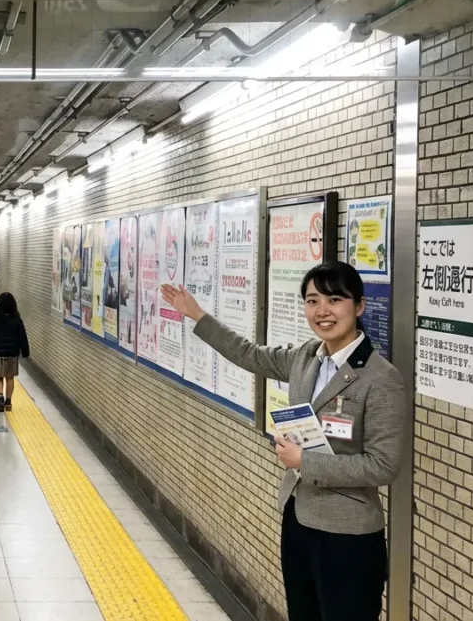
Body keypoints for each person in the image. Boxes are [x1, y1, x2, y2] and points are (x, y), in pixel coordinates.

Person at [161, 262, 406, 621]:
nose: (322, 311)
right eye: (312, 300)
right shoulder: (306, 357)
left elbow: (383, 465)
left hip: (348, 535)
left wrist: (303, 461)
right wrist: (197, 315)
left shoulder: (381, 378)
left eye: (335, 299)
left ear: (359, 306)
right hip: (299, 520)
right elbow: (249, 354)